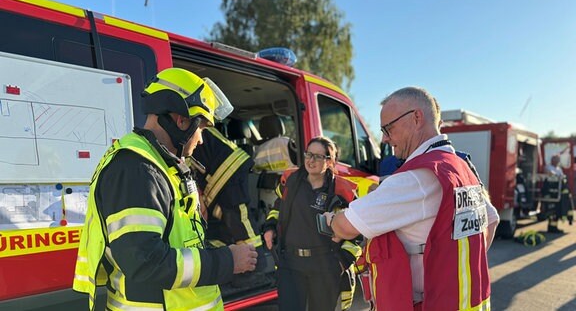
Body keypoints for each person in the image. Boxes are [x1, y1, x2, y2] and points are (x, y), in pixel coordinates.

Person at [73, 68, 258, 310]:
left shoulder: (158, 164)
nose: (202, 139)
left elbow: (177, 242)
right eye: (201, 128)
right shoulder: (137, 169)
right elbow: (145, 261)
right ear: (181, 119)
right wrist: (227, 260)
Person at [325, 86, 500, 310]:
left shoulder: (417, 178)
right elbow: (491, 222)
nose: (385, 139)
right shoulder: (460, 168)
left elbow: (346, 227)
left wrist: (331, 220)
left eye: (388, 128)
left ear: (416, 117)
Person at [262, 136, 361, 311]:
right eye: (308, 154)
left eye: (318, 156)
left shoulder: (342, 191)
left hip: (324, 266)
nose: (311, 160)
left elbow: (358, 233)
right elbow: (277, 207)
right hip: (290, 264)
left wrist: (340, 263)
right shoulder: (291, 181)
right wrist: (270, 228)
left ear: (330, 162)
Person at [190, 126, 269, 283]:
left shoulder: (187, 129)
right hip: (222, 171)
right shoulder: (191, 125)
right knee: (227, 216)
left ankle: (257, 266)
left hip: (228, 169)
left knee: (238, 219)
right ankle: (245, 260)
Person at [543, 154, 574, 232]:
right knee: (552, 210)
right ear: (552, 160)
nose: (557, 161)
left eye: (558, 160)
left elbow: (562, 178)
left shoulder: (559, 169)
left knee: (557, 210)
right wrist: (555, 175)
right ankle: (552, 228)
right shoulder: (548, 167)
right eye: (556, 159)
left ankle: (554, 227)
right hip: (552, 192)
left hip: (560, 193)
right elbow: (549, 173)